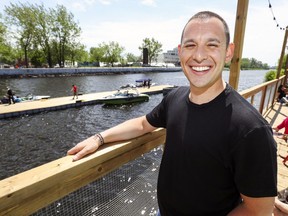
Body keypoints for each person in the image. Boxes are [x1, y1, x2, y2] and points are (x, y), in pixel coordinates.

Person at [68, 11, 277, 215]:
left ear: (229, 52)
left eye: (212, 45)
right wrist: (99, 138)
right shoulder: (174, 98)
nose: (199, 55)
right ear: (180, 51)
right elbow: (143, 124)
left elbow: (259, 210)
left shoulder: (251, 129)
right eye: (190, 45)